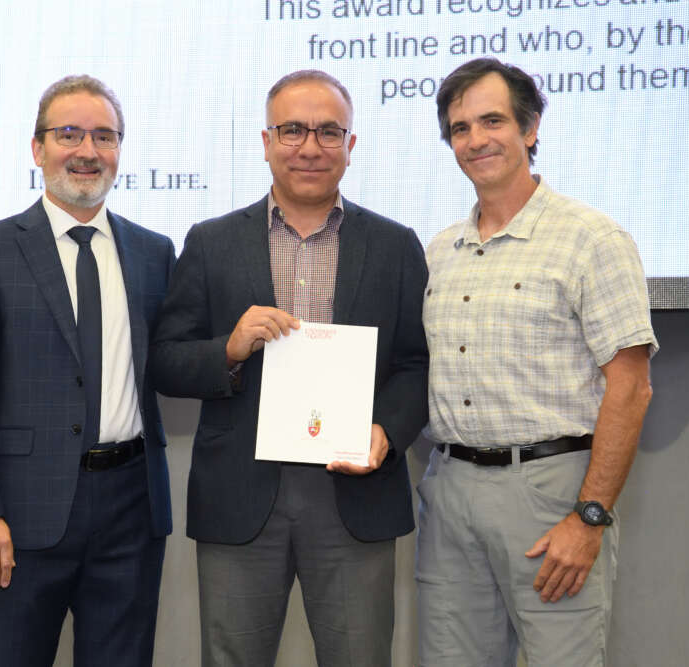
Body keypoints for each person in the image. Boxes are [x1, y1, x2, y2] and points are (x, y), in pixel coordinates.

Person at [150, 69, 428, 667]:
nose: (309, 147)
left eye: (329, 132)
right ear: (266, 140)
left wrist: (390, 431)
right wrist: (228, 348)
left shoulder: (396, 245)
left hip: (355, 492)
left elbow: (416, 363)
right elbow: (167, 361)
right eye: (293, 130)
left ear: (351, 146)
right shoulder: (211, 241)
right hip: (241, 499)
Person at [416, 57, 658, 665]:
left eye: (492, 121)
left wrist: (590, 516)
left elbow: (631, 389)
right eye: (460, 128)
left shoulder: (593, 239)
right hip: (449, 496)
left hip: (552, 499)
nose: (476, 140)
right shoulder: (439, 250)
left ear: (530, 128)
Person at [0, 74, 175, 667]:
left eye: (104, 136)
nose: (88, 151)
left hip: (131, 509)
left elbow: (171, 363)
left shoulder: (154, 252)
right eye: (69, 134)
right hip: (21, 516)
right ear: (37, 148)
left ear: (120, 150)